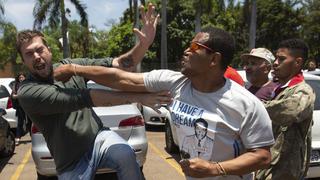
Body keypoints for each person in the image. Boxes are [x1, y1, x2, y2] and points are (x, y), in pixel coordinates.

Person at [54, 26, 275, 180]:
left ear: (214, 59)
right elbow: (120, 78)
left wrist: (215, 169)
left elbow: (263, 156)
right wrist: (75, 69)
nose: (186, 51)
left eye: (195, 47)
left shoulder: (245, 104)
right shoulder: (174, 82)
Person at [16, 4, 171, 180]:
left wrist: (144, 44)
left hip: (98, 139)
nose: (36, 56)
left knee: (125, 154)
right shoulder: (28, 92)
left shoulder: (69, 66)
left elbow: (120, 64)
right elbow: (87, 98)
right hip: (70, 162)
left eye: (39, 49)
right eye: (29, 54)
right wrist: (140, 97)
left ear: (49, 50)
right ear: (23, 61)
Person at [255, 39, 315, 180]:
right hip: (268, 167)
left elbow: (289, 111)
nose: (275, 63)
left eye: (281, 59)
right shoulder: (280, 88)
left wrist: (253, 104)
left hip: (285, 171)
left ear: (298, 62)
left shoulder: (303, 90)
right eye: (276, 58)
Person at [11, 73, 27, 145]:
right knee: (20, 122)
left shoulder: (28, 84)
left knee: (30, 122)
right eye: (20, 77)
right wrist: (19, 96)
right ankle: (17, 138)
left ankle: (33, 137)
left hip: (29, 106)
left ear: (25, 78)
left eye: (22, 77)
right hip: (20, 106)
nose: (21, 79)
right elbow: (13, 96)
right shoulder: (16, 85)